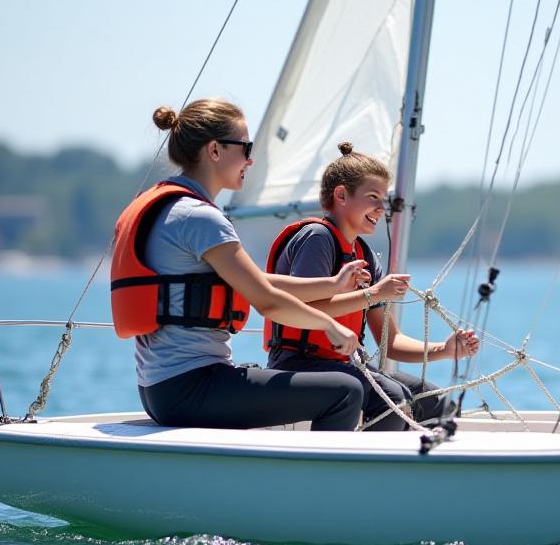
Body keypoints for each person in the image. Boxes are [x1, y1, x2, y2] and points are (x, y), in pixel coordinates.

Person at [111, 98, 368, 431]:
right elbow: (267, 301)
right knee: (345, 391)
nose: (251, 159)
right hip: (192, 387)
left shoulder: (175, 208)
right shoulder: (201, 218)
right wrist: (329, 325)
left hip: (161, 389)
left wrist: (332, 286)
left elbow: (257, 282)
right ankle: (316, 483)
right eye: (246, 148)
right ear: (215, 150)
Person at [265, 141, 480, 430]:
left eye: (384, 199)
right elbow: (305, 308)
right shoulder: (316, 238)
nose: (382, 208)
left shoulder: (363, 254)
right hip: (298, 363)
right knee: (393, 398)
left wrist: (445, 349)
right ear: (341, 195)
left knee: (434, 403)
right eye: (373, 197)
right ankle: (355, 472)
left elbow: (390, 342)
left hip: (344, 365)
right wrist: (374, 294)